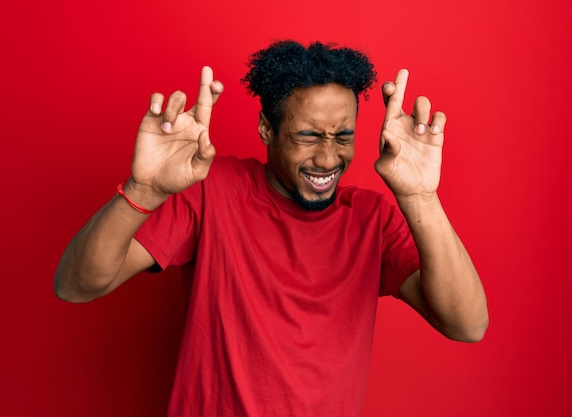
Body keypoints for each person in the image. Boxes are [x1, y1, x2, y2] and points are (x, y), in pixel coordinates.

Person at [55, 40, 488, 416]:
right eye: (308, 136)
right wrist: (143, 190)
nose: (327, 158)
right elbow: (77, 285)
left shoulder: (372, 219)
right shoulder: (210, 191)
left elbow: (467, 325)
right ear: (267, 128)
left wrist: (419, 199)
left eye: (342, 137)